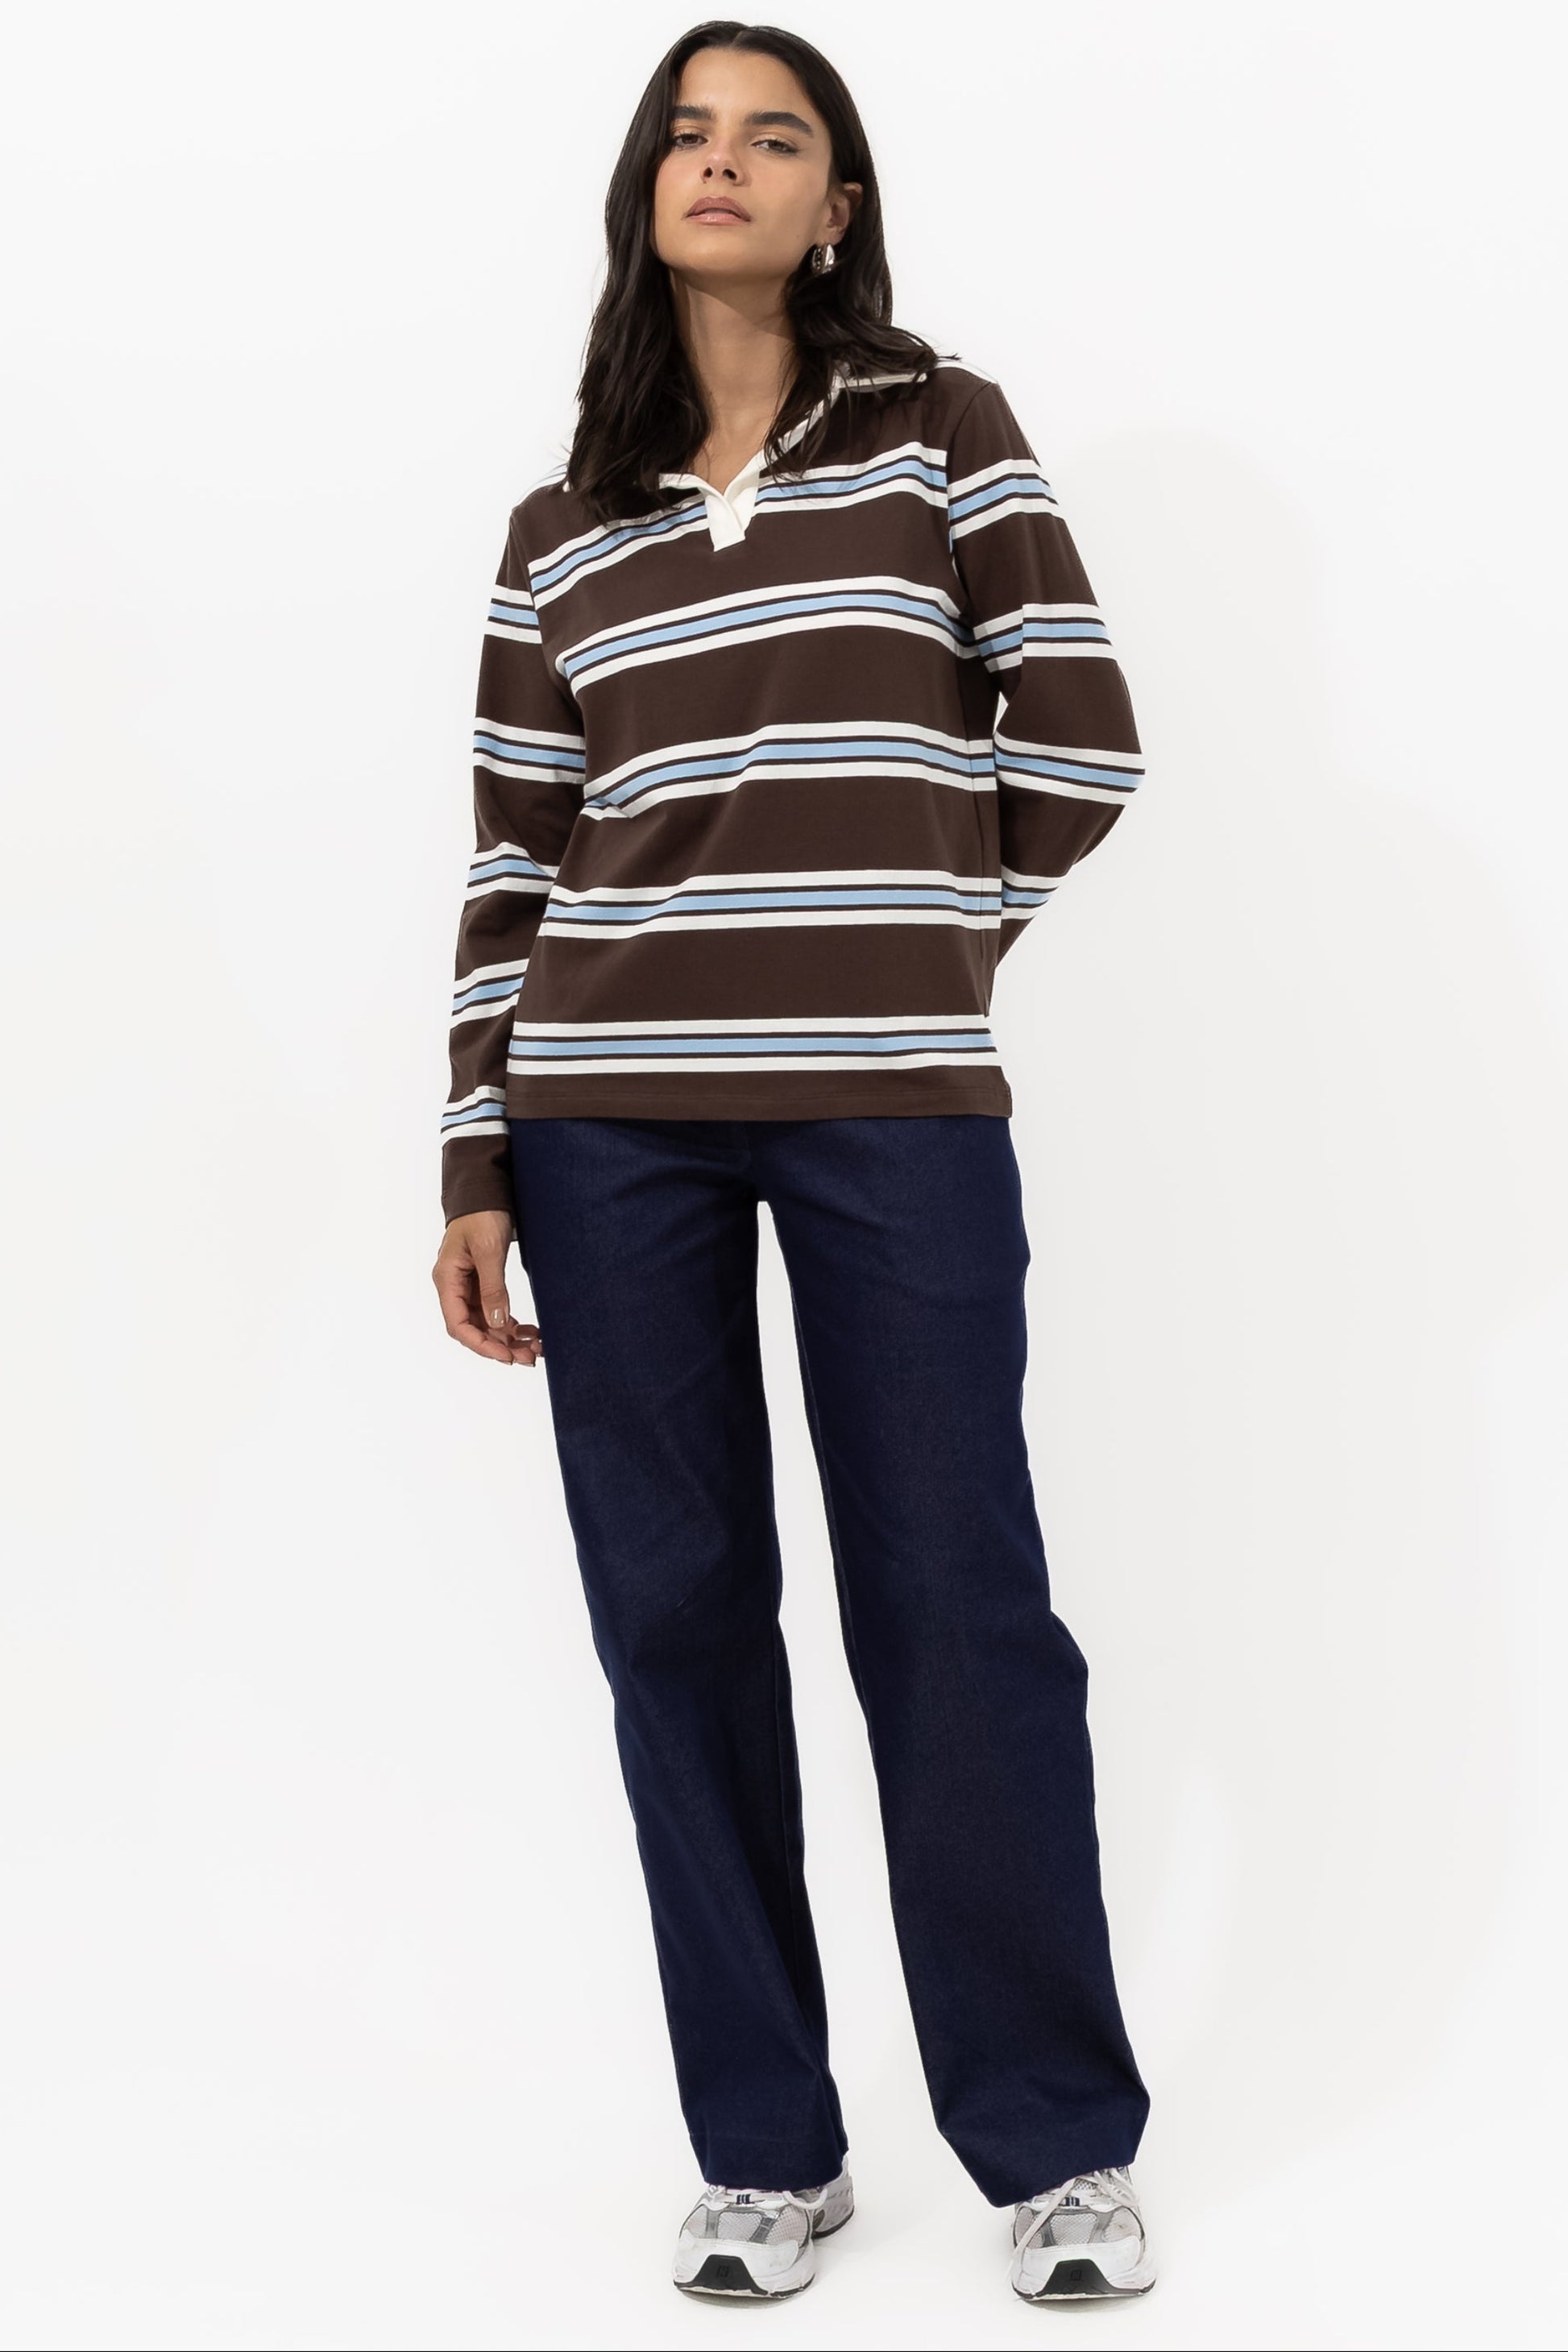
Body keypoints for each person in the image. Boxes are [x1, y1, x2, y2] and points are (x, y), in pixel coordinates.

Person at [431, 19, 1156, 2307]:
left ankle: (1054, 2142)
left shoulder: (943, 429)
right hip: (600, 1119)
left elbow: (1083, 735)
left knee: (955, 1603)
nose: (720, 162)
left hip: (888, 1106)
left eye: (773, 137)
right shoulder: (562, 525)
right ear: (642, 191)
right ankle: (763, 2145)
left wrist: (906, 948)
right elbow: (513, 865)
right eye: (686, 133)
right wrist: (472, 1158)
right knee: (673, 1618)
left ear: (837, 206)